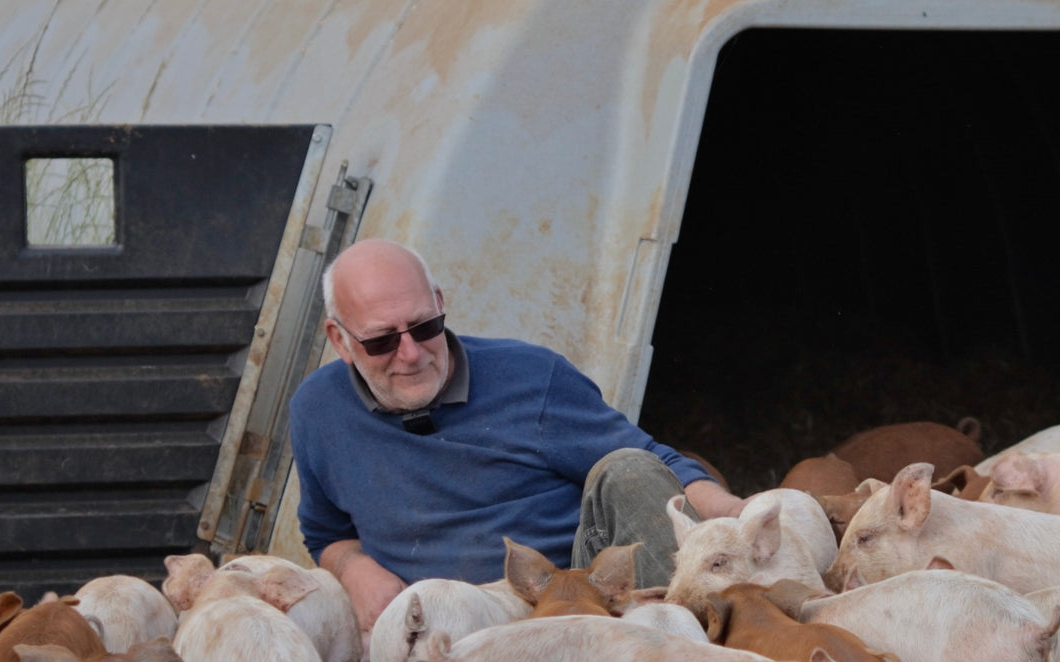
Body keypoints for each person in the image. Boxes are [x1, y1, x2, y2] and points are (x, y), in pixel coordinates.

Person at [288, 239, 746, 631]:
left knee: (627, 468)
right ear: (339, 340)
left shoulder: (531, 377)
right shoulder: (318, 412)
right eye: (382, 340)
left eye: (425, 327)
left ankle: (693, 645)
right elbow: (327, 533)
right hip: (443, 620)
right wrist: (354, 568)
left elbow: (650, 462)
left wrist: (740, 512)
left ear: (441, 303)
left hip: (573, 594)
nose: (410, 353)